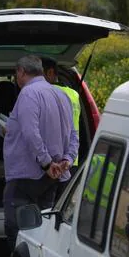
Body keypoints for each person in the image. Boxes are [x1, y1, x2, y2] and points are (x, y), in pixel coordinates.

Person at [0, 55, 78, 257]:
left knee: (17, 226)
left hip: (28, 173)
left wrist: (45, 163)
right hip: (53, 174)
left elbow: (32, 133)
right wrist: (66, 160)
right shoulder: (61, 94)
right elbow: (73, 132)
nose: (16, 78)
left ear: (22, 72)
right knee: (42, 226)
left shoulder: (28, 95)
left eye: (16, 73)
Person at [41, 56, 81, 195]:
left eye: (39, 75)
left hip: (52, 162)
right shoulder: (74, 94)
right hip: (71, 160)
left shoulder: (46, 94)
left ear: (50, 73)